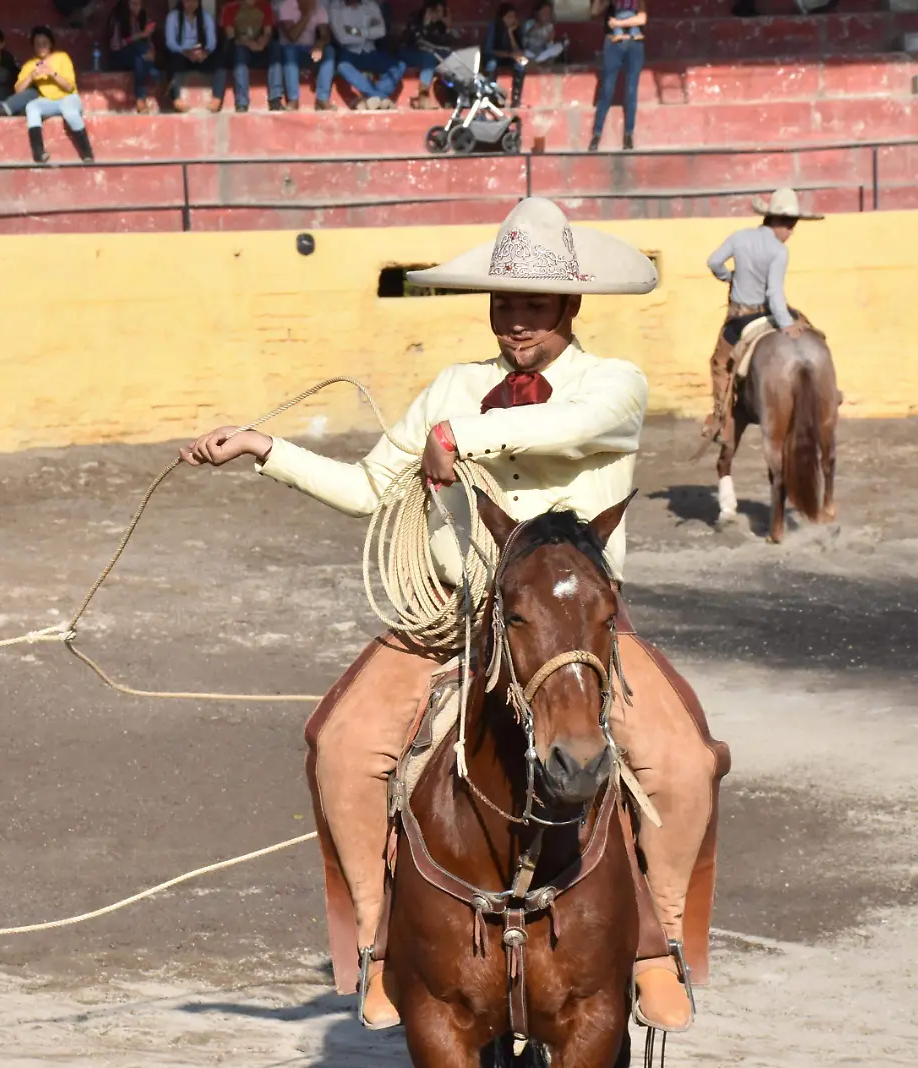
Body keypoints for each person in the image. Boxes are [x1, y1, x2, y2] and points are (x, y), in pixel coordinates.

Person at [178, 196, 726, 1035]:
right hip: (459, 620)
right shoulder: (454, 388)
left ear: (571, 308)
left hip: (573, 630)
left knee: (684, 762)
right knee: (342, 743)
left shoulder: (613, 384)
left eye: (534, 307)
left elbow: (570, 426)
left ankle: (655, 943)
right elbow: (370, 487)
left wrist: (461, 440)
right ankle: (378, 947)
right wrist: (264, 451)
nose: (516, 324)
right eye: (504, 305)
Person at [699, 186, 824, 444]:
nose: (791, 232)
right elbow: (775, 295)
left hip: (740, 316)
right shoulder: (779, 251)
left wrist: (730, 277)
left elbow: (713, 262)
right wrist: (786, 324)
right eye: (790, 225)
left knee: (720, 364)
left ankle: (721, 419)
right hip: (769, 312)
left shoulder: (740, 237)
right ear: (779, 221)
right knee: (812, 330)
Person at [9, 25, 95, 164]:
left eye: (44, 43)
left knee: (69, 111)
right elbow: (18, 91)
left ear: (50, 44)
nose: (41, 47)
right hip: (49, 102)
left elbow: (69, 86)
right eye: (37, 44)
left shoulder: (62, 57)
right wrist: (31, 76)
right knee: (32, 107)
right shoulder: (31, 64)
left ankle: (87, 152)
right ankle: (39, 153)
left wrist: (52, 73)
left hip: (69, 98)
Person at [590, 0, 644, 151]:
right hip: (613, 43)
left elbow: (642, 18)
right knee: (607, 90)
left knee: (631, 91)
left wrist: (618, 23)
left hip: (634, 44)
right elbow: (594, 12)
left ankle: (628, 134)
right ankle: (596, 133)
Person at [329, 0, 401, 109]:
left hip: (370, 51)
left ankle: (376, 95)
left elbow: (381, 31)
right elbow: (342, 38)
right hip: (349, 52)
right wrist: (369, 33)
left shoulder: (370, 4)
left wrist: (357, 32)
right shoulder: (335, 7)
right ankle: (380, 97)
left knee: (400, 65)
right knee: (342, 66)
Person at [162, 0, 222, 113]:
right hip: (182, 55)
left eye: (194, 1)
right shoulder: (173, 17)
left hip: (200, 55)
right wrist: (186, 53)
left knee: (219, 60)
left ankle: (217, 98)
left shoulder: (205, 16)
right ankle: (176, 99)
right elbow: (170, 43)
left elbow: (212, 42)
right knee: (173, 60)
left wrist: (205, 53)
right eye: (187, 1)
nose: (191, 4)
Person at [270, 0, 329, 111]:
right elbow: (293, 36)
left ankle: (322, 98)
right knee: (289, 50)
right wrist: (307, 14)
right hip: (289, 51)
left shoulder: (318, 7)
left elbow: (325, 35)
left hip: (309, 50)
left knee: (329, 51)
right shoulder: (286, 6)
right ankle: (293, 99)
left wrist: (319, 44)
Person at [218, 0, 275, 112]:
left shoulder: (264, 7)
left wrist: (262, 42)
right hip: (241, 49)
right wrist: (249, 43)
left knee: (275, 48)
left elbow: (268, 32)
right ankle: (242, 102)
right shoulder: (229, 9)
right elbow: (231, 37)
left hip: (260, 49)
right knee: (240, 52)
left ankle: (275, 99)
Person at [398, 0, 457, 110]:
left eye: (441, 11)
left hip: (432, 53)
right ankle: (423, 96)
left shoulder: (440, 24)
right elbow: (419, 42)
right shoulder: (416, 18)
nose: (439, 14)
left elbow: (448, 45)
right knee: (429, 59)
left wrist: (448, 28)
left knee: (451, 60)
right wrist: (425, 24)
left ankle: (451, 97)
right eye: (437, 11)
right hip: (410, 52)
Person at [104, 0, 160, 113]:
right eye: (133, 4)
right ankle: (152, 70)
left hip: (138, 57)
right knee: (138, 48)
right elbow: (115, 45)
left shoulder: (143, 17)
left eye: (139, 4)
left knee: (139, 57)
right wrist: (140, 35)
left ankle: (140, 98)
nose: (137, 7)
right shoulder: (118, 18)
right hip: (119, 57)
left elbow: (148, 42)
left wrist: (152, 51)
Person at [482, 2, 523, 107]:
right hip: (495, 57)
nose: (511, 19)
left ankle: (516, 99)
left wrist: (511, 33)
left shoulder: (515, 28)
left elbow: (518, 51)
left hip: (508, 57)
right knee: (491, 64)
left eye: (513, 17)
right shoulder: (494, 27)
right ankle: (490, 97)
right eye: (508, 17)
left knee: (520, 65)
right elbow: (488, 50)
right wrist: (509, 54)